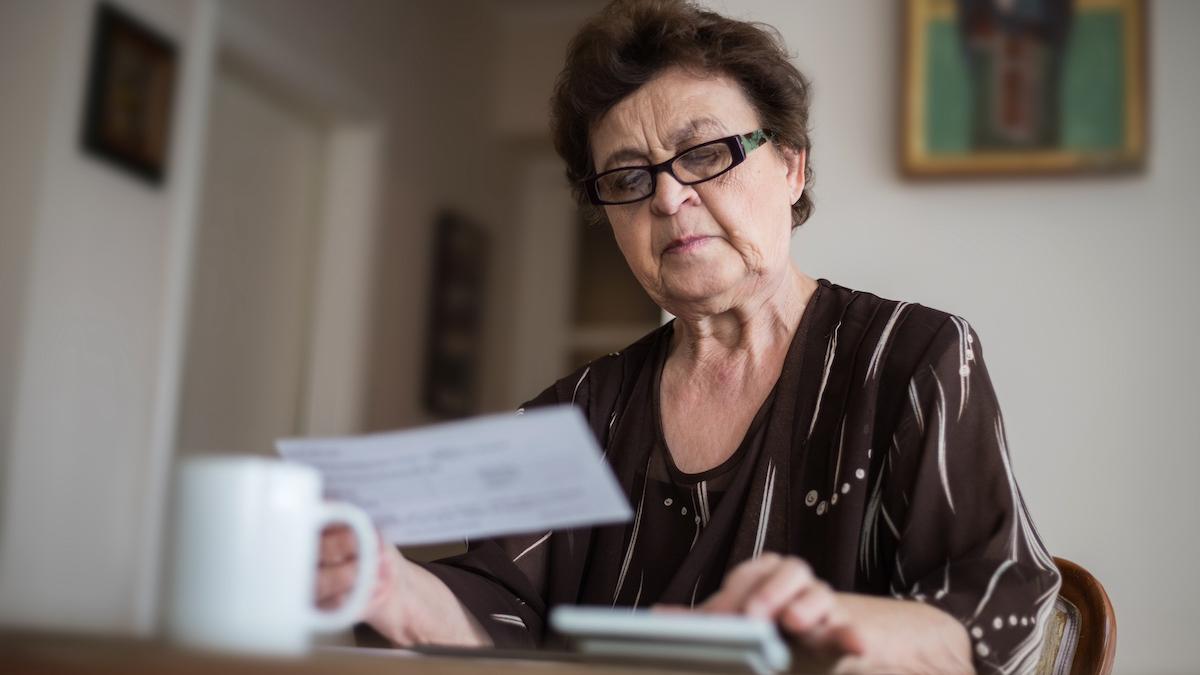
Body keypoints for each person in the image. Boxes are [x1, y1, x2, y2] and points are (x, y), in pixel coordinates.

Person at [316, 1, 1061, 672]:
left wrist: (834, 624)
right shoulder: (576, 414)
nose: (669, 198)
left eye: (704, 154)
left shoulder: (909, 357)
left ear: (791, 165)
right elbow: (500, 611)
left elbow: (996, 604)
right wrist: (389, 583)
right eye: (628, 178)